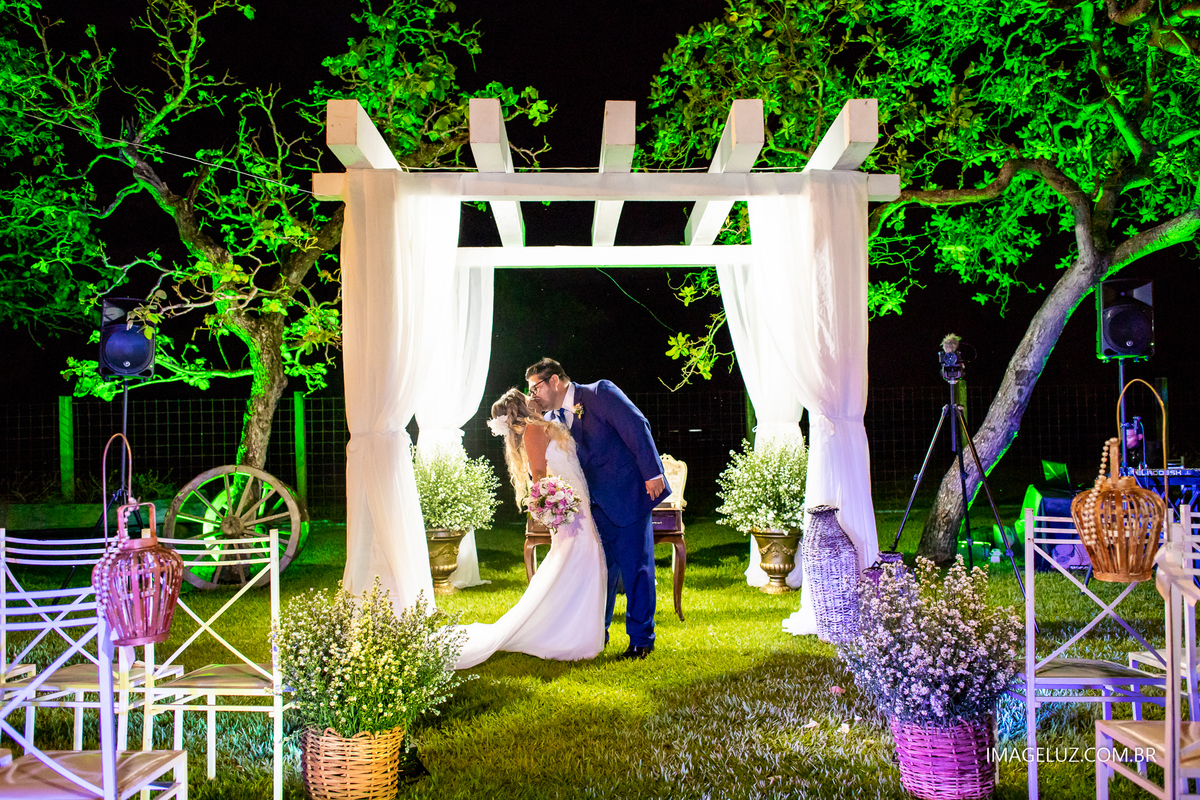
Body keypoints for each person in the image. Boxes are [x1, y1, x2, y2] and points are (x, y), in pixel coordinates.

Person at [525, 358, 669, 660]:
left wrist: (653, 473)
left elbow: (636, 425)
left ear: (554, 381)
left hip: (626, 496)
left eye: (535, 387)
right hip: (589, 509)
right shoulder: (549, 419)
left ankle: (641, 640)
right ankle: (596, 634)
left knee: (636, 570)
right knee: (601, 573)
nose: (533, 394)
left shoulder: (599, 392)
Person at [454, 389, 607, 669]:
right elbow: (539, 476)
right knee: (578, 563)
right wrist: (555, 507)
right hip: (569, 509)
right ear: (521, 407)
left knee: (581, 563)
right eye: (527, 396)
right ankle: (566, 635)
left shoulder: (542, 426)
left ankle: (572, 631)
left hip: (578, 503)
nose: (532, 396)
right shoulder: (534, 430)